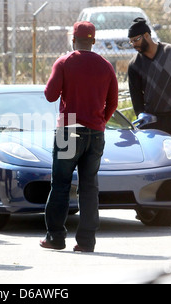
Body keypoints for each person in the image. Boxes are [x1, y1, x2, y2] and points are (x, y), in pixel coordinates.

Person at [40, 21, 118, 253]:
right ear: (93, 41)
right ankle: (86, 241)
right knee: (89, 186)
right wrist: (100, 121)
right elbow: (113, 102)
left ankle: (55, 237)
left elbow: (50, 95)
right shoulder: (106, 66)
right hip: (96, 132)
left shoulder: (64, 62)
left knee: (61, 184)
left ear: (73, 40)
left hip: (69, 129)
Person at [127, 17, 171, 158]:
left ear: (147, 35)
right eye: (131, 41)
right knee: (158, 161)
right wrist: (142, 117)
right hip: (153, 122)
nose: (133, 44)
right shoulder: (134, 65)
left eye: (136, 40)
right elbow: (136, 96)